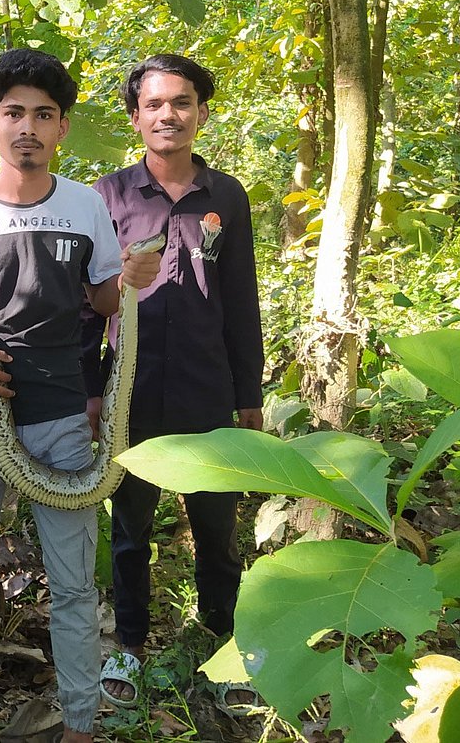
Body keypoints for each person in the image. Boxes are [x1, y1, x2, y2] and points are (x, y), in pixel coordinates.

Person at [0, 48, 161, 743]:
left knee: (74, 580)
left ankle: (79, 722)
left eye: (43, 115)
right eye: (14, 112)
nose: (28, 126)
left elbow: (105, 296)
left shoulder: (85, 206)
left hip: (61, 414)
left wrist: (134, 276)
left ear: (62, 128)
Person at [82, 54, 264, 709]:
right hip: (129, 390)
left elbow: (240, 303)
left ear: (202, 114)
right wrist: (92, 391)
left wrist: (250, 396)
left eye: (181, 102)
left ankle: (224, 647)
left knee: (217, 529)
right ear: (135, 117)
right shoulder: (105, 197)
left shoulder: (228, 197)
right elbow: (87, 303)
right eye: (154, 104)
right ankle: (128, 647)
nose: (168, 115)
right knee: (129, 530)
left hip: (209, 392)